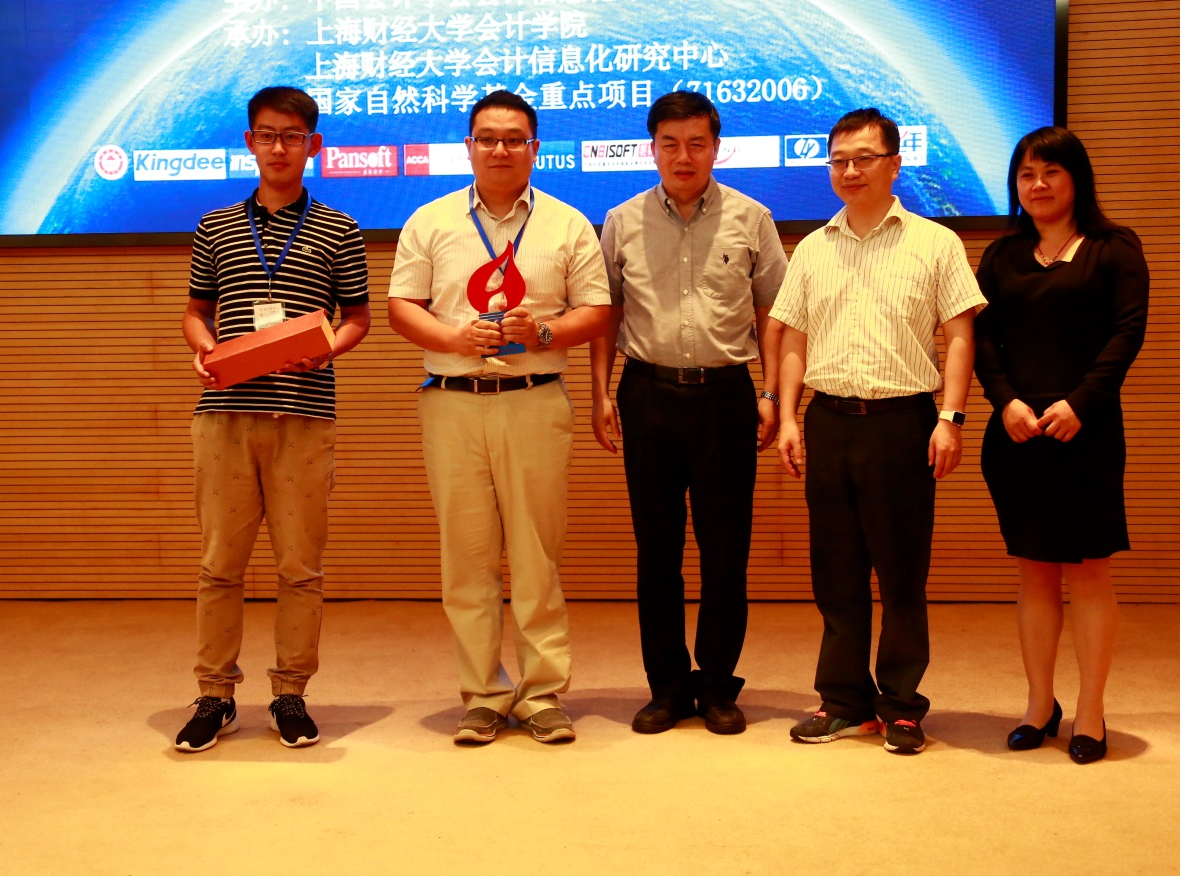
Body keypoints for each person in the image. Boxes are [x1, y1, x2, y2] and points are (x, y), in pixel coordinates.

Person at [388, 91, 610, 745]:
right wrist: (455, 339)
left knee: (538, 556)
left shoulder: (568, 224)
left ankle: (541, 694)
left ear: (535, 148)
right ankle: (482, 694)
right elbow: (402, 306)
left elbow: (597, 311)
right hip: (452, 402)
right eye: (487, 138)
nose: (501, 149)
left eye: (515, 138)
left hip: (535, 400)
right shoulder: (430, 220)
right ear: (469, 147)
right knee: (467, 558)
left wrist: (542, 331)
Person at [770, 107, 986, 754]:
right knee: (835, 573)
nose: (849, 171)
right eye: (838, 160)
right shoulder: (813, 248)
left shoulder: (935, 243)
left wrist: (950, 418)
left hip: (903, 425)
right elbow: (793, 341)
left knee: (900, 574)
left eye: (863, 158)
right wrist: (788, 418)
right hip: (830, 422)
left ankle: (902, 706)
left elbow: (960, 336)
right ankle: (844, 702)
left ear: (894, 163)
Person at [175, 86, 371, 752]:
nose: (279, 147)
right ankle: (215, 694)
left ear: (313, 145)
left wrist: (327, 349)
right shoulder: (216, 226)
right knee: (219, 564)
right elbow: (195, 312)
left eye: (292, 136)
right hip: (225, 415)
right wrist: (203, 350)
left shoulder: (340, 228)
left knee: (300, 567)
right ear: (250, 142)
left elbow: (358, 319)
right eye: (267, 134)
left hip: (304, 417)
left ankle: (290, 692)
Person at [590, 91, 787, 735]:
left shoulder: (751, 218)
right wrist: (600, 392)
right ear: (651, 149)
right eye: (669, 144)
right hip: (647, 394)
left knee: (726, 549)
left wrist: (772, 394)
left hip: (726, 396)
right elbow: (606, 311)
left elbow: (774, 312)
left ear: (715, 148)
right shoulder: (621, 220)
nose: (683, 156)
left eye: (696, 143)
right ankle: (668, 687)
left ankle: (718, 684)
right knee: (658, 551)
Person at [975, 127, 1148, 765]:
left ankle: (1091, 712)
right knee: (1035, 572)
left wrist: (1081, 403)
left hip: (1087, 432)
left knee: (1090, 570)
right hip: (1018, 433)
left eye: (1050, 171)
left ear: (1077, 177)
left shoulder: (1114, 248)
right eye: (1026, 174)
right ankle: (1038, 705)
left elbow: (1127, 333)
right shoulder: (1002, 255)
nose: (1038, 184)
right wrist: (1006, 403)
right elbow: (982, 340)